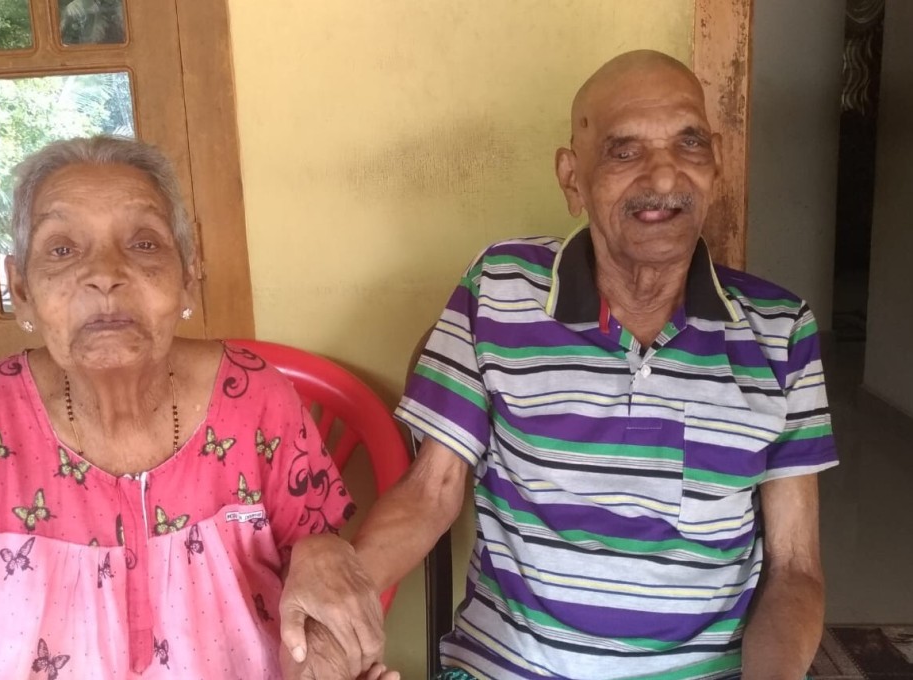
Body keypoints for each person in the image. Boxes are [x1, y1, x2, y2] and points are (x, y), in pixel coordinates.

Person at [279, 50, 838, 679]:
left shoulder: (780, 329)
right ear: (572, 178)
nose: (663, 178)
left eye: (688, 143)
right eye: (625, 151)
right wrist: (332, 635)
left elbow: (795, 567)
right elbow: (429, 494)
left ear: (715, 164)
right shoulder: (499, 289)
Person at [0, 136, 391, 680]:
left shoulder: (257, 401)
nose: (105, 273)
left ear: (189, 275)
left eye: (144, 243)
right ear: (22, 290)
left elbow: (316, 625)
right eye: (62, 248)